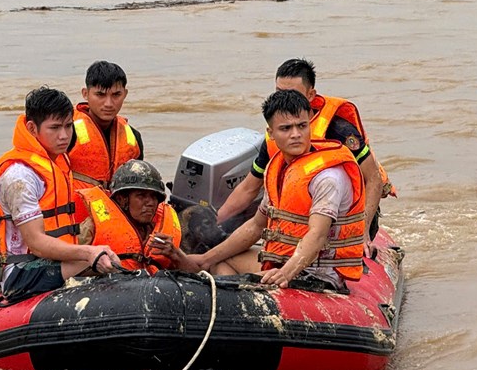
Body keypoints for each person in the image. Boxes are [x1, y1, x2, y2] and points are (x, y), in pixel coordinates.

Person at [186, 89, 365, 291]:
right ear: (271, 133)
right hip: (284, 261)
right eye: (286, 128)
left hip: (318, 274)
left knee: (227, 279)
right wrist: (204, 259)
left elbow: (317, 235)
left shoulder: (327, 177)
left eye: (302, 126)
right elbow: (256, 226)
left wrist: (284, 273)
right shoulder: (278, 169)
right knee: (220, 261)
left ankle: (240, 302)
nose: (296, 134)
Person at [215, 58, 394, 253]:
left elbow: (373, 179)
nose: (285, 100)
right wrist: (215, 222)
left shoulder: (340, 131)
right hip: (303, 213)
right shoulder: (275, 137)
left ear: (311, 95)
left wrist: (363, 232)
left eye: (292, 93)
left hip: (347, 213)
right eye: (279, 92)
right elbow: (249, 188)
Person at [0, 86, 120, 303]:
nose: (64, 136)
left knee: (113, 256)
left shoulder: (59, 162)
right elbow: (36, 242)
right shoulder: (20, 177)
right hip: (20, 272)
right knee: (94, 257)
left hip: (51, 261)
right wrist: (88, 253)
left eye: (68, 126)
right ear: (32, 128)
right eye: (54, 128)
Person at [75, 160, 187, 273]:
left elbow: (192, 268)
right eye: (141, 196)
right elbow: (68, 265)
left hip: (151, 287)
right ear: (121, 199)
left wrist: (175, 255)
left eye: (154, 197)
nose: (150, 203)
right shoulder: (92, 227)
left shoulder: (161, 234)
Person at [70, 61, 144, 190]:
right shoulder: (65, 133)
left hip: (115, 208)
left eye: (116, 95)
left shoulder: (134, 137)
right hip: (75, 208)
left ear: (125, 94)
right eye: (100, 95)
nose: (109, 103)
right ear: (85, 94)